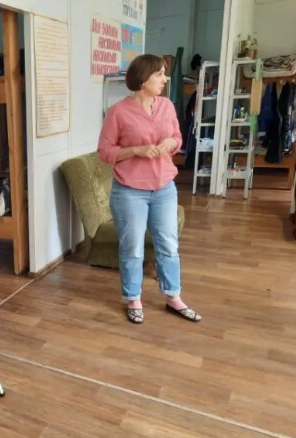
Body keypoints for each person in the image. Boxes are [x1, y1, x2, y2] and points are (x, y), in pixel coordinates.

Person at [98, 54, 201, 324]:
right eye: (160, 74)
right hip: (129, 191)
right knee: (132, 248)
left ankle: (173, 296)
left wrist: (170, 143)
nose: (165, 79)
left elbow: (177, 137)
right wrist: (136, 150)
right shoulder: (118, 112)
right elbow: (105, 152)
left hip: (164, 187)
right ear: (143, 79)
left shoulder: (167, 106)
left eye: (164, 73)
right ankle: (133, 298)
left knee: (168, 245)